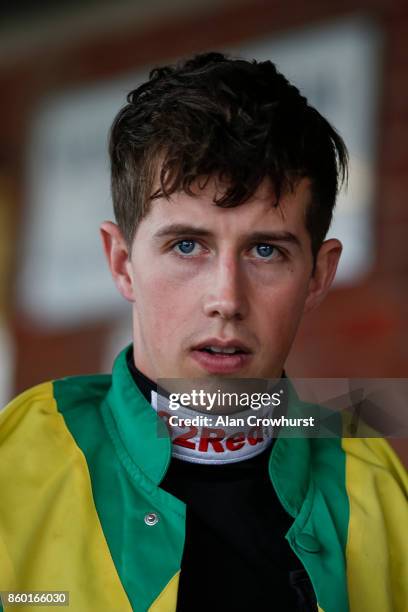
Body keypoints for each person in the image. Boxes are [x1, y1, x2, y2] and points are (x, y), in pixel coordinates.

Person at [0, 52, 407, 612]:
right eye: (186, 245)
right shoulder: (14, 463)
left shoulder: (375, 478)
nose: (226, 300)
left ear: (318, 274)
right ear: (121, 262)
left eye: (266, 250)